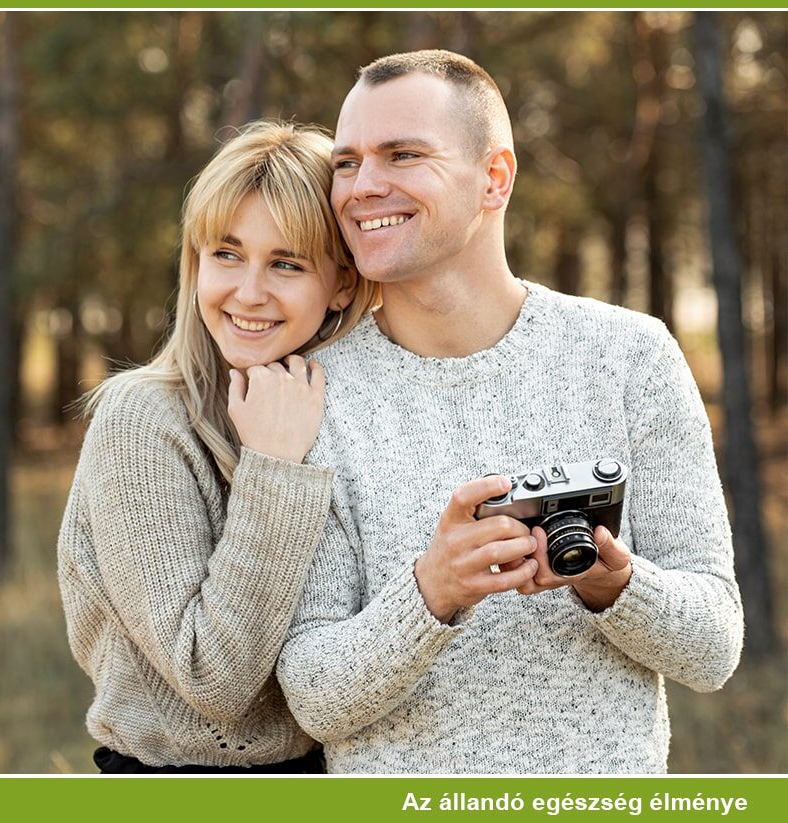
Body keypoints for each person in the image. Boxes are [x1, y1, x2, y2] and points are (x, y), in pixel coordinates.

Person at [275, 50, 744, 774]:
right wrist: (432, 592)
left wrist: (613, 583)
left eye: (403, 154)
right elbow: (313, 694)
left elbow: (714, 647)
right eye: (346, 162)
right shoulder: (315, 394)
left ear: (494, 177)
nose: (363, 187)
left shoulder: (629, 357)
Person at [57, 121, 381, 773]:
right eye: (226, 254)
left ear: (342, 283)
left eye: (285, 263)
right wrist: (272, 470)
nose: (248, 291)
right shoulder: (143, 419)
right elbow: (213, 679)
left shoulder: (344, 414)